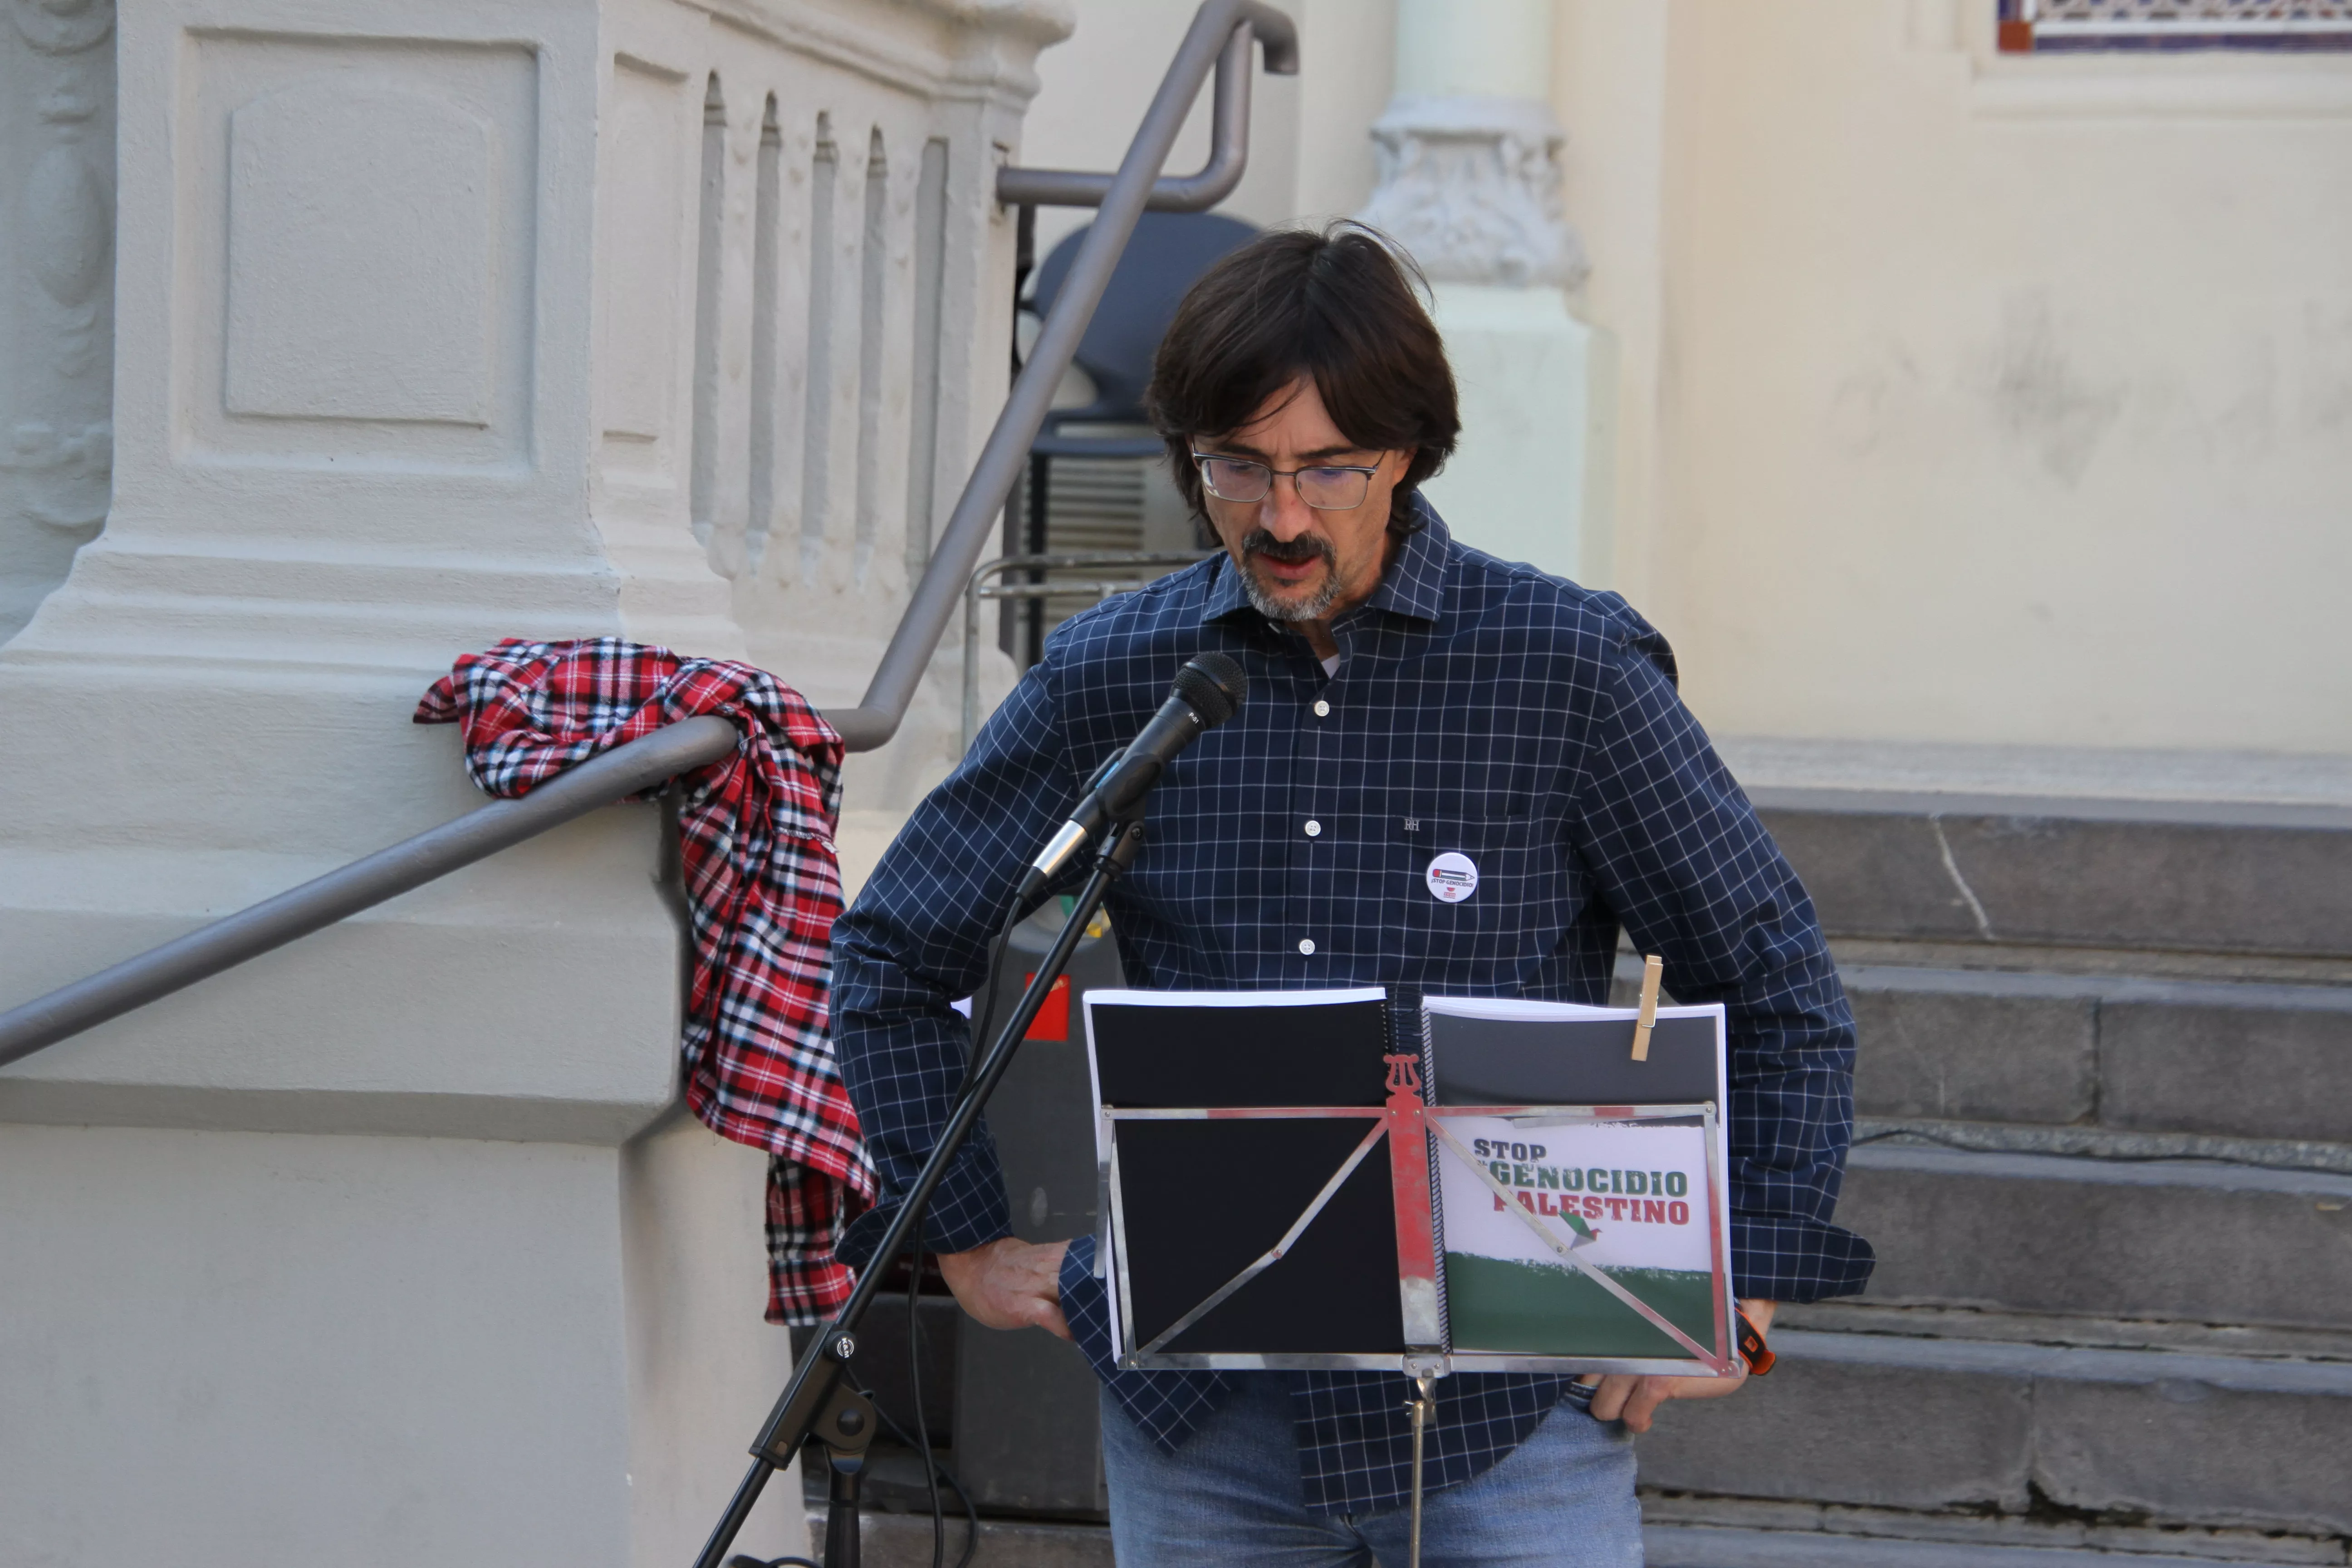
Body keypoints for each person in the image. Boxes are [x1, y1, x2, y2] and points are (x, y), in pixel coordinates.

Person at [829, 224, 1872, 1567]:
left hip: (1514, 1412)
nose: (1281, 518)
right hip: (1201, 1421)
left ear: (1409, 453)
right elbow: (893, 954)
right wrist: (961, 1237)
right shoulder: (1116, 668)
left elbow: (1774, 982)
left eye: (1330, 468)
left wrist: (1749, 1280)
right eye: (1238, 466)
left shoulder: (1567, 668)